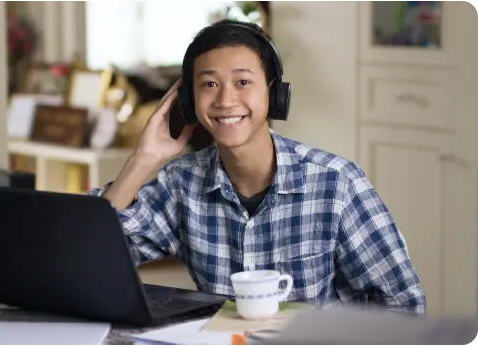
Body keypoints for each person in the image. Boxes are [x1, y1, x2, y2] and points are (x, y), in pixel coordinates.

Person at [90, 19, 426, 314]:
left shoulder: (337, 183)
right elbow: (93, 259)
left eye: (243, 82)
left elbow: (403, 307)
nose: (224, 100)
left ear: (275, 93)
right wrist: (143, 159)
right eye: (209, 84)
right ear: (189, 101)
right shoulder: (181, 182)